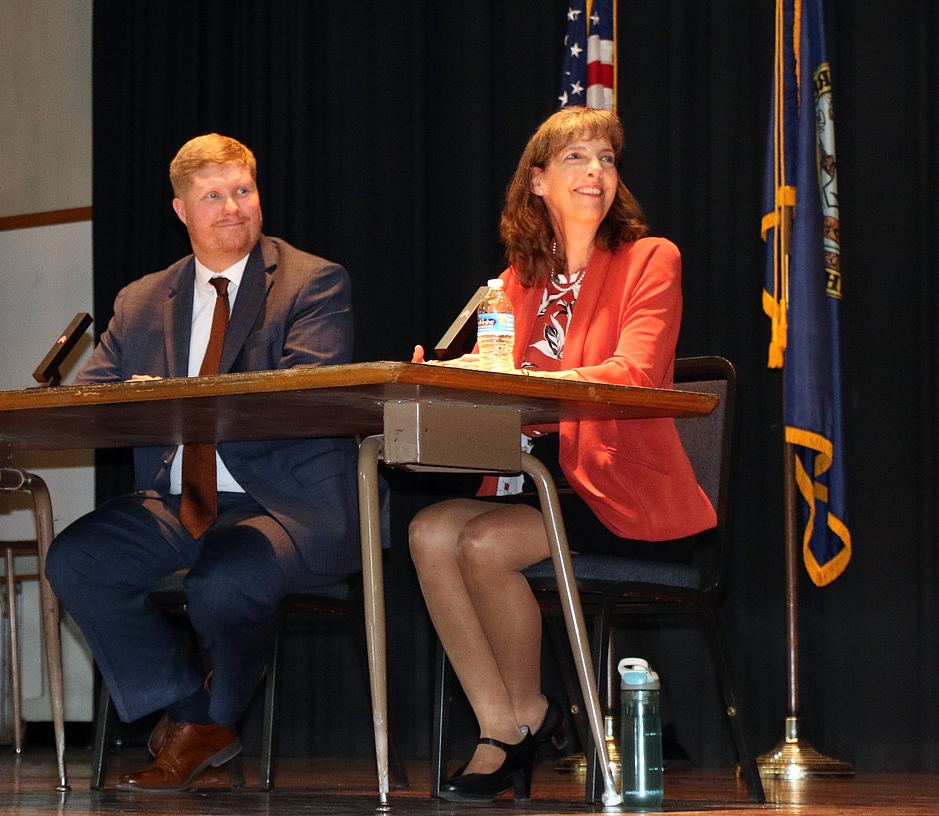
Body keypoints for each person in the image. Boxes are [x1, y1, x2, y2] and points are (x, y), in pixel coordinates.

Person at [408, 106, 716, 802]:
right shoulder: (513, 283)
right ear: (538, 182)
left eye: (606, 159)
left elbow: (634, 372)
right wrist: (442, 379)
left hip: (618, 489)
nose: (596, 171)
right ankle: (504, 719)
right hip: (532, 482)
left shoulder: (649, 260)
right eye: (576, 158)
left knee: (483, 545)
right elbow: (489, 384)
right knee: (426, 531)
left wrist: (531, 383)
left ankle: (524, 725)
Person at [45, 133, 360, 793]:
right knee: (77, 561)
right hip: (177, 502)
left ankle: (197, 725)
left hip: (289, 503)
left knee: (223, 581)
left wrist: (175, 402)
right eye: (212, 197)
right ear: (181, 210)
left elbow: (305, 396)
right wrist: (101, 403)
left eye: (242, 191)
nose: (232, 208)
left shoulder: (313, 281)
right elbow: (96, 396)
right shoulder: (140, 300)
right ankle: (196, 714)